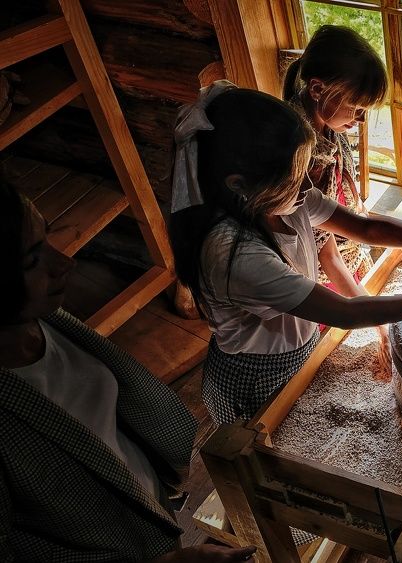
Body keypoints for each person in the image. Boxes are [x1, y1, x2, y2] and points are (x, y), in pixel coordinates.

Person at [169, 82, 402, 426]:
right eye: (292, 178)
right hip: (253, 378)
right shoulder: (232, 255)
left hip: (300, 352)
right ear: (240, 185)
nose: (306, 187)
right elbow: (346, 313)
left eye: (302, 174)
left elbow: (365, 229)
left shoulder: (283, 197)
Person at [0, 179, 255, 562]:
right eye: (34, 259)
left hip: (143, 509)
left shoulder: (44, 321)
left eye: (47, 240)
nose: (65, 262)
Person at [283, 24, 384, 292]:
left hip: (344, 250)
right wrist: (374, 317)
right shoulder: (303, 157)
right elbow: (326, 255)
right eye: (356, 108)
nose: (361, 120)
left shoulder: (326, 122)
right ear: (317, 89)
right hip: (320, 275)